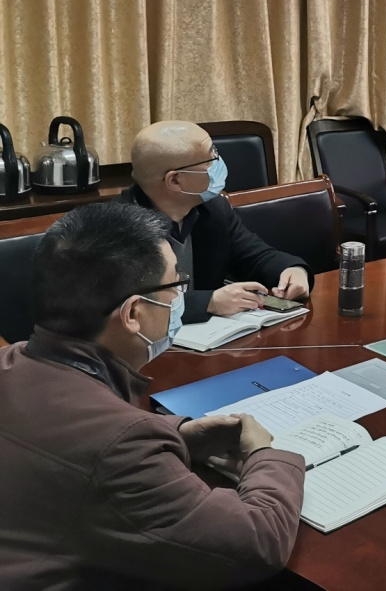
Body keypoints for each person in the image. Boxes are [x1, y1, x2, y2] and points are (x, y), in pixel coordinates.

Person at [0, 202, 304, 589]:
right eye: (175, 286)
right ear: (133, 313)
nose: (180, 299)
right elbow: (257, 544)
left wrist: (176, 434)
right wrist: (265, 455)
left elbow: (67, 440)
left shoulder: (11, 361)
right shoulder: (123, 446)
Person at [116, 120, 311, 323]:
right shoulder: (116, 228)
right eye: (211, 158)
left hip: (212, 335)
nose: (218, 163)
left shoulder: (213, 208)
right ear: (175, 180)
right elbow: (130, 306)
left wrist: (293, 270)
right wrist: (209, 302)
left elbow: (254, 256)